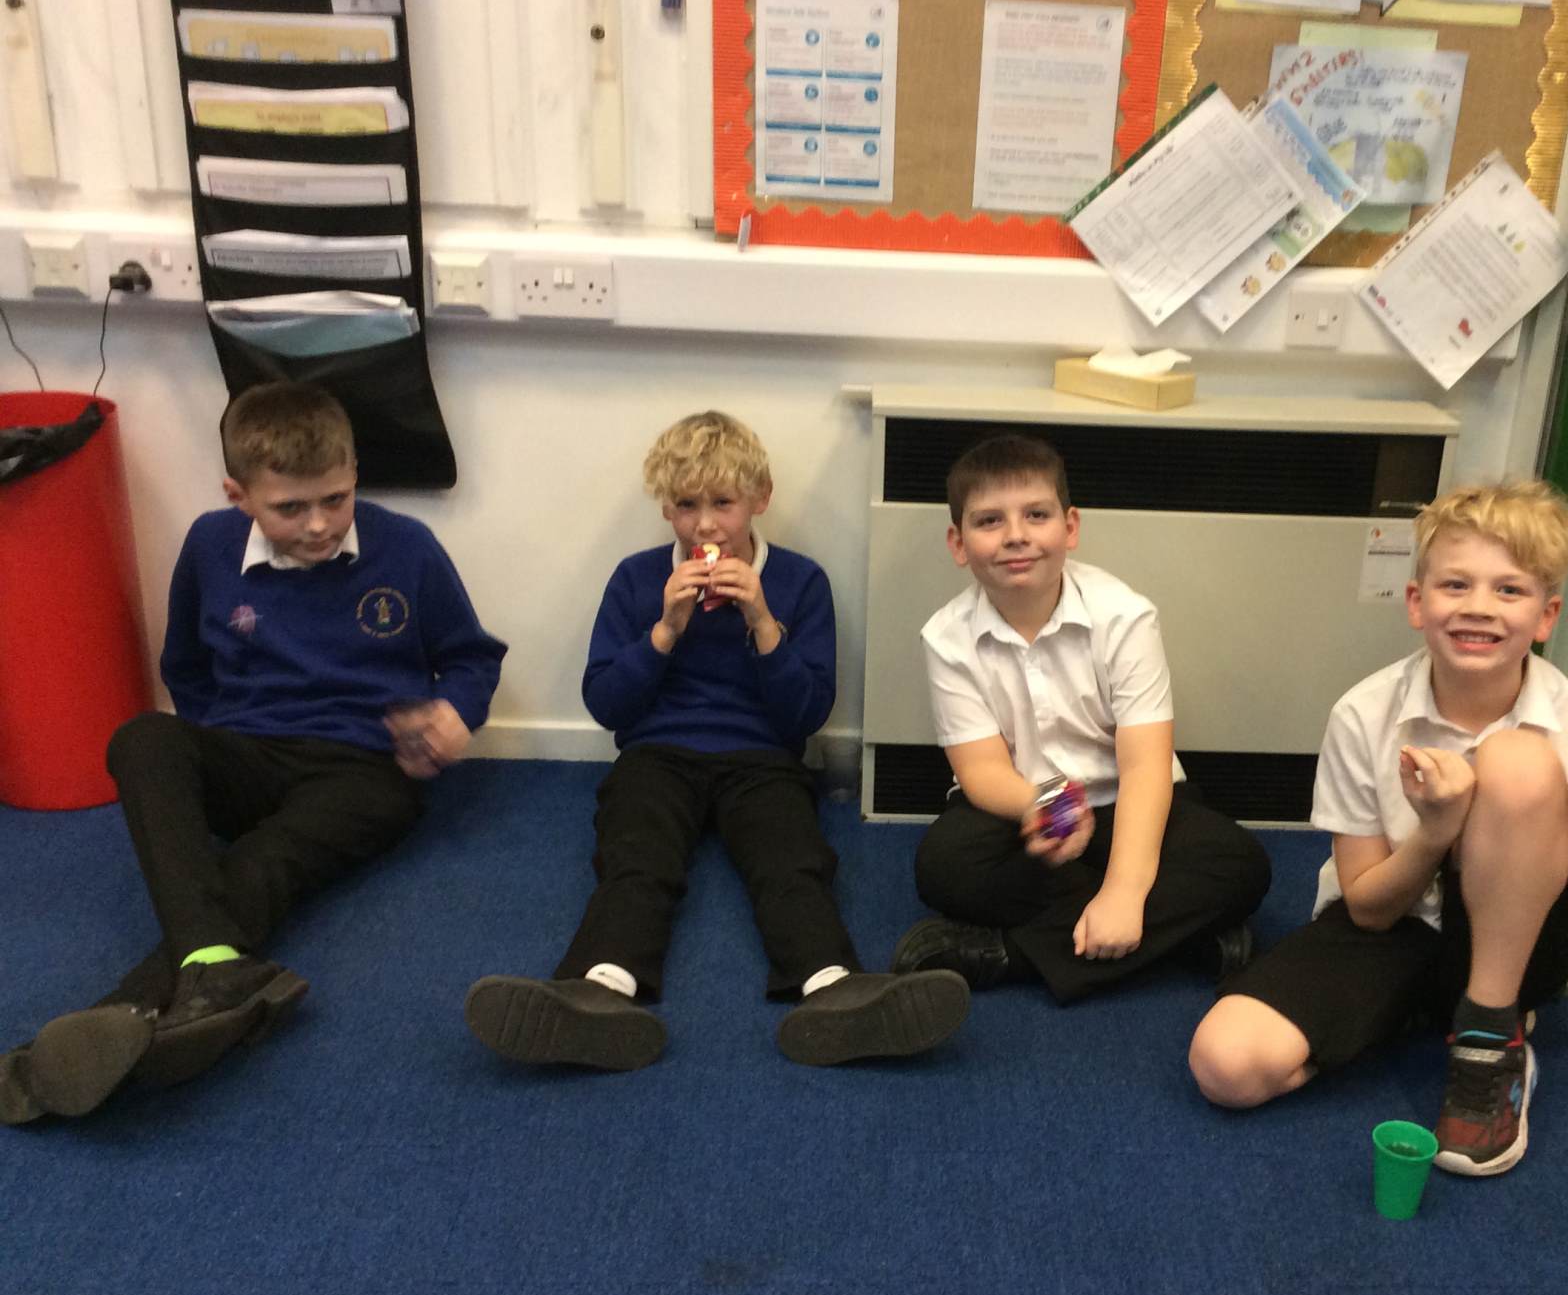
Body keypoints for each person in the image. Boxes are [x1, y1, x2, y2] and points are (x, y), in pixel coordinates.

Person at [0, 381, 506, 1126]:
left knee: (265, 864)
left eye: (335, 499)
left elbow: (471, 657)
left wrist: (456, 714)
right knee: (142, 737)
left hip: (364, 770)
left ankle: (130, 1008)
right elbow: (186, 667)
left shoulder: (408, 547)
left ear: (355, 474)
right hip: (248, 752)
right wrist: (216, 746)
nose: (319, 524)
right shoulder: (209, 546)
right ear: (237, 495)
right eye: (290, 508)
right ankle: (215, 979)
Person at [1187, 482, 1568, 1178]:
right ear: (1417, 603)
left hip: (1524, 943)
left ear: (1546, 616)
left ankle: (1490, 1038)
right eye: (1456, 584)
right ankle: (1429, 1010)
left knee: (1518, 764)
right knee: (1225, 1065)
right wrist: (1435, 832)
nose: (1479, 606)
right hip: (1397, 927)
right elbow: (1368, 909)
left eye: (1509, 590)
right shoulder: (1364, 714)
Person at [463, 411, 968, 1071]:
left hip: (762, 757)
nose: (705, 526)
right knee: (637, 857)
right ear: (665, 509)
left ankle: (834, 988)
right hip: (657, 753)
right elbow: (607, 704)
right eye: (686, 506)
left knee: (790, 861)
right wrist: (664, 631)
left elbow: (805, 715)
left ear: (759, 499)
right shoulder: (637, 579)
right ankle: (597, 991)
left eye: (723, 503)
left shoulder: (800, 582)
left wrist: (763, 622)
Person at [891, 433, 1271, 1006]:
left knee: (1241, 865)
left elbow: (1145, 766)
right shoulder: (946, 637)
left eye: (1036, 515)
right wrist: (1044, 809)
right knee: (944, 865)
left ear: (1069, 528)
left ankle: (1007, 955)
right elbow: (981, 769)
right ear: (959, 543)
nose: (1015, 535)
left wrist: (1124, 890)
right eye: (990, 520)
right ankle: (1185, 938)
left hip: (1129, 802)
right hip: (1026, 808)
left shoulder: (1125, 616)